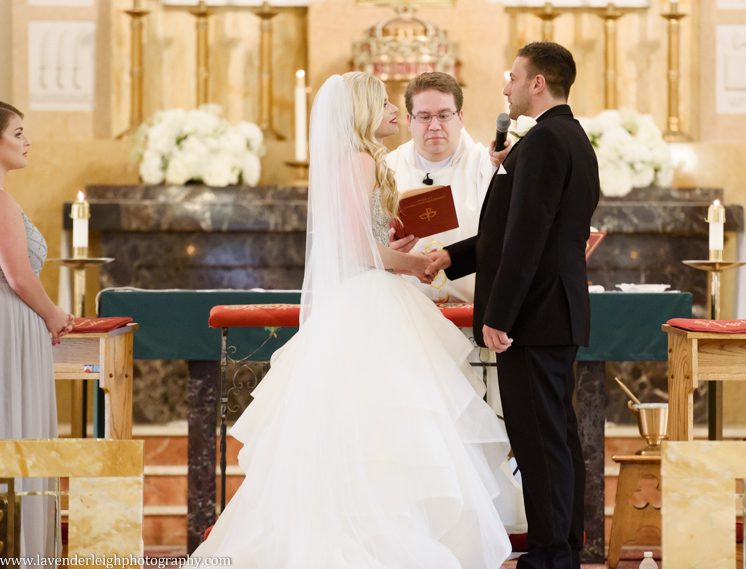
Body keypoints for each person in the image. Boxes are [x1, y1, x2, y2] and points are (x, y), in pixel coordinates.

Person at [191, 73, 515, 568]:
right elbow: (360, 248)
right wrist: (419, 262)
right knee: (391, 425)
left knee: (370, 424)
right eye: (385, 103)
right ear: (364, 111)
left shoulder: (359, 160)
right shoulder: (363, 159)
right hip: (373, 303)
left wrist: (401, 249)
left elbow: (364, 239)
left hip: (366, 300)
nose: (393, 111)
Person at [425, 42, 600, 569]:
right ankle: (564, 544)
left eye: (513, 78)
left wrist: (498, 314)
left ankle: (551, 554)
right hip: (554, 311)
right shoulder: (564, 137)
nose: (506, 87)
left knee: (540, 439)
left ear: (538, 83)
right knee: (557, 437)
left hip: (535, 314)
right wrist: (448, 256)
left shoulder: (546, 141)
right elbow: (508, 232)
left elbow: (526, 238)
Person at [0, 101, 72, 560]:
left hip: (12, 325)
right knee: (14, 429)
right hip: (11, 325)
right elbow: (18, 274)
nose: (28, 142)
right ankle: (21, 550)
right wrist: (52, 314)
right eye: (19, 133)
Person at [385, 72, 495, 303]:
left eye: (444, 115)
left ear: (460, 116)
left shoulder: (487, 166)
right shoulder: (387, 169)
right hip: (407, 312)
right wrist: (390, 248)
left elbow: (500, 236)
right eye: (424, 117)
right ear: (409, 120)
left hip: (470, 308)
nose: (435, 126)